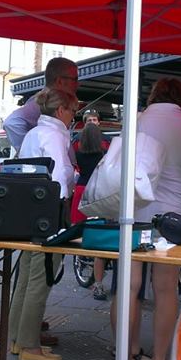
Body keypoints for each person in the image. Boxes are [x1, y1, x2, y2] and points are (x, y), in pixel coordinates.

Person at [111, 77, 181, 360]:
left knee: (129, 287)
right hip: (171, 218)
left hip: (132, 212)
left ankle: (125, 358)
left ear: (154, 95)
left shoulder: (135, 121)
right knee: (165, 292)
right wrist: (179, 208)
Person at [8, 88, 77, 360]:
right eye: (73, 111)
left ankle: (17, 338)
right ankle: (29, 346)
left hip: (28, 212)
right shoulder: (56, 135)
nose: (74, 117)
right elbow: (59, 178)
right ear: (61, 110)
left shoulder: (33, 133)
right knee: (41, 278)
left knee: (26, 277)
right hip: (50, 214)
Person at [3, 57, 79, 151]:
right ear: (60, 81)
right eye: (75, 79)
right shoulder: (45, 101)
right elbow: (11, 122)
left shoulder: (50, 100)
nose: (78, 84)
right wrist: (31, 151)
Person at [71, 122, 111, 300]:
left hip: (82, 188)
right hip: (100, 188)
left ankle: (83, 260)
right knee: (102, 231)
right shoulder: (106, 145)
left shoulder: (76, 144)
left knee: (82, 228)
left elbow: (72, 165)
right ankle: (99, 280)